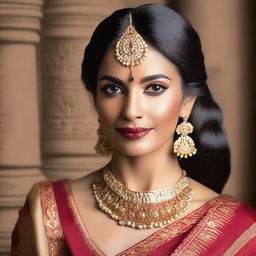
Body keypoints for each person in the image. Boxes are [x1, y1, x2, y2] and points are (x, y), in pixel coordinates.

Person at [11, 4, 256, 256]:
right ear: (94, 98)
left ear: (187, 102)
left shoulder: (239, 231)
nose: (131, 110)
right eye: (112, 89)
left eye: (155, 88)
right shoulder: (48, 211)